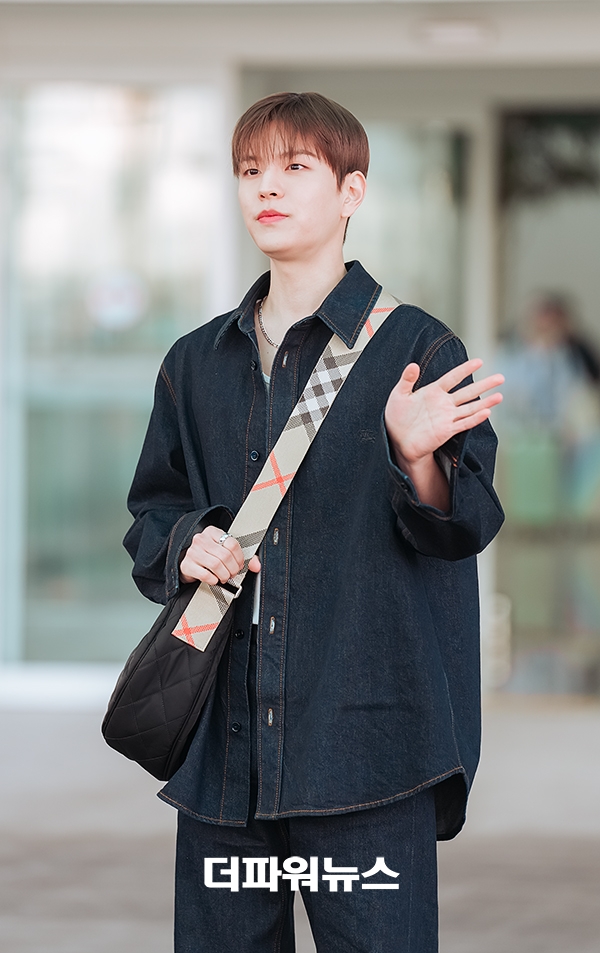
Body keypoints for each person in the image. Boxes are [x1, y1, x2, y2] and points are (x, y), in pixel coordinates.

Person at [124, 92, 505, 953]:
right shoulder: (195, 360)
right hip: (225, 765)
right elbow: (151, 516)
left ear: (352, 190)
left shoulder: (418, 349)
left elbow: (467, 521)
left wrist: (414, 456)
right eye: (251, 170)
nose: (268, 186)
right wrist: (191, 543)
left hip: (371, 755)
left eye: (296, 166)